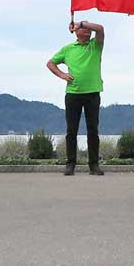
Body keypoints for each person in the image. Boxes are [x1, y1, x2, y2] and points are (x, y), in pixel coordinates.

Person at [47, 19, 105, 175]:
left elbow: (100, 28)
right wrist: (62, 75)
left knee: (93, 130)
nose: (87, 31)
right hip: (73, 94)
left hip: (92, 93)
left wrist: (82, 23)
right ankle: (70, 164)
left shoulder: (95, 45)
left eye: (87, 29)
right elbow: (51, 63)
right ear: (76, 33)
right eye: (83, 29)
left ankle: (94, 165)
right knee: (71, 130)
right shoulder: (68, 49)